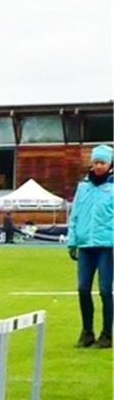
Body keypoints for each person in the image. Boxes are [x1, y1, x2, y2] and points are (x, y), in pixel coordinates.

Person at [67, 144, 113, 349]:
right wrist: (72, 242)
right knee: (83, 288)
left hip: (107, 245)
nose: (98, 166)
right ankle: (87, 332)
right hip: (85, 245)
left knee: (105, 290)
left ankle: (106, 334)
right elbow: (75, 215)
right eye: (95, 162)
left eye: (102, 162)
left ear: (110, 164)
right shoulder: (83, 187)